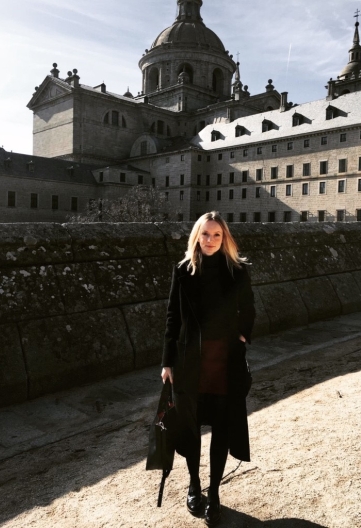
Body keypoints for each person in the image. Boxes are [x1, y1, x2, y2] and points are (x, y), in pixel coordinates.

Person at [161, 211, 255, 526]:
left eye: (216, 235)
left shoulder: (238, 271)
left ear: (224, 238)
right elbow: (172, 316)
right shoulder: (183, 271)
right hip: (189, 362)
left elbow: (249, 308)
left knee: (222, 429)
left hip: (224, 362)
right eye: (205, 234)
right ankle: (193, 485)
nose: (211, 240)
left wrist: (242, 335)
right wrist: (166, 361)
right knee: (190, 429)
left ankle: (214, 492)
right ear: (197, 237)